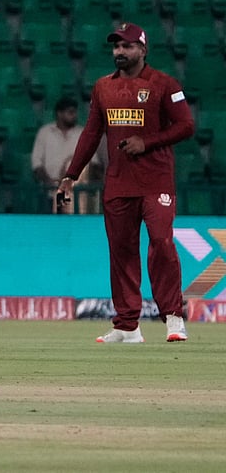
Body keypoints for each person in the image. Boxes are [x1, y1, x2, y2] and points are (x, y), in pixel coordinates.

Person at [58, 22, 195, 344]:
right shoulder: (103, 87)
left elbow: (186, 125)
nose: (120, 51)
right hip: (118, 183)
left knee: (161, 244)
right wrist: (70, 176)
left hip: (156, 181)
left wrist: (146, 143)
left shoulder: (164, 84)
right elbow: (91, 133)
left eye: (127, 46)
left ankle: (173, 318)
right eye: (116, 46)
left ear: (143, 50)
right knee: (121, 252)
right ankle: (127, 326)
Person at [31, 96, 106, 214]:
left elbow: (94, 163)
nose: (74, 116)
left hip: (76, 197)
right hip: (51, 193)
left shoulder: (82, 134)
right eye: (70, 113)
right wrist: (50, 182)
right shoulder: (45, 133)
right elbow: (37, 164)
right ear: (59, 114)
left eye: (75, 112)